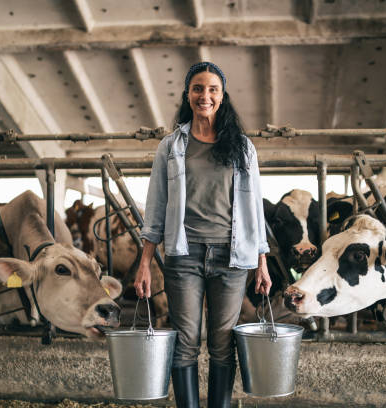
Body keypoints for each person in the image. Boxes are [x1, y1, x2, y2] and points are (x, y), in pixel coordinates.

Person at [134, 61, 271, 408]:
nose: (204, 96)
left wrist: (262, 263)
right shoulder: (171, 146)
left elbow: (255, 207)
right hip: (184, 255)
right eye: (198, 88)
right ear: (187, 94)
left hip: (232, 257)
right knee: (186, 340)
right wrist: (145, 263)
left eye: (212, 89)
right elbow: (156, 206)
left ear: (222, 97)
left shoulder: (242, 147)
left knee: (223, 342)